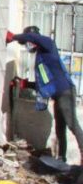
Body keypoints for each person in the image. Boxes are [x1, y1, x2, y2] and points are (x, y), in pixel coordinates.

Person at [7, 26, 83, 162]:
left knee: (72, 124)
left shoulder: (48, 45)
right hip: (58, 95)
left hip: (65, 92)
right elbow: (44, 83)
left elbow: (32, 38)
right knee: (60, 128)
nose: (27, 45)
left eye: (27, 42)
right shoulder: (41, 59)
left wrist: (13, 37)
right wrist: (25, 84)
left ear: (34, 38)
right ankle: (61, 158)